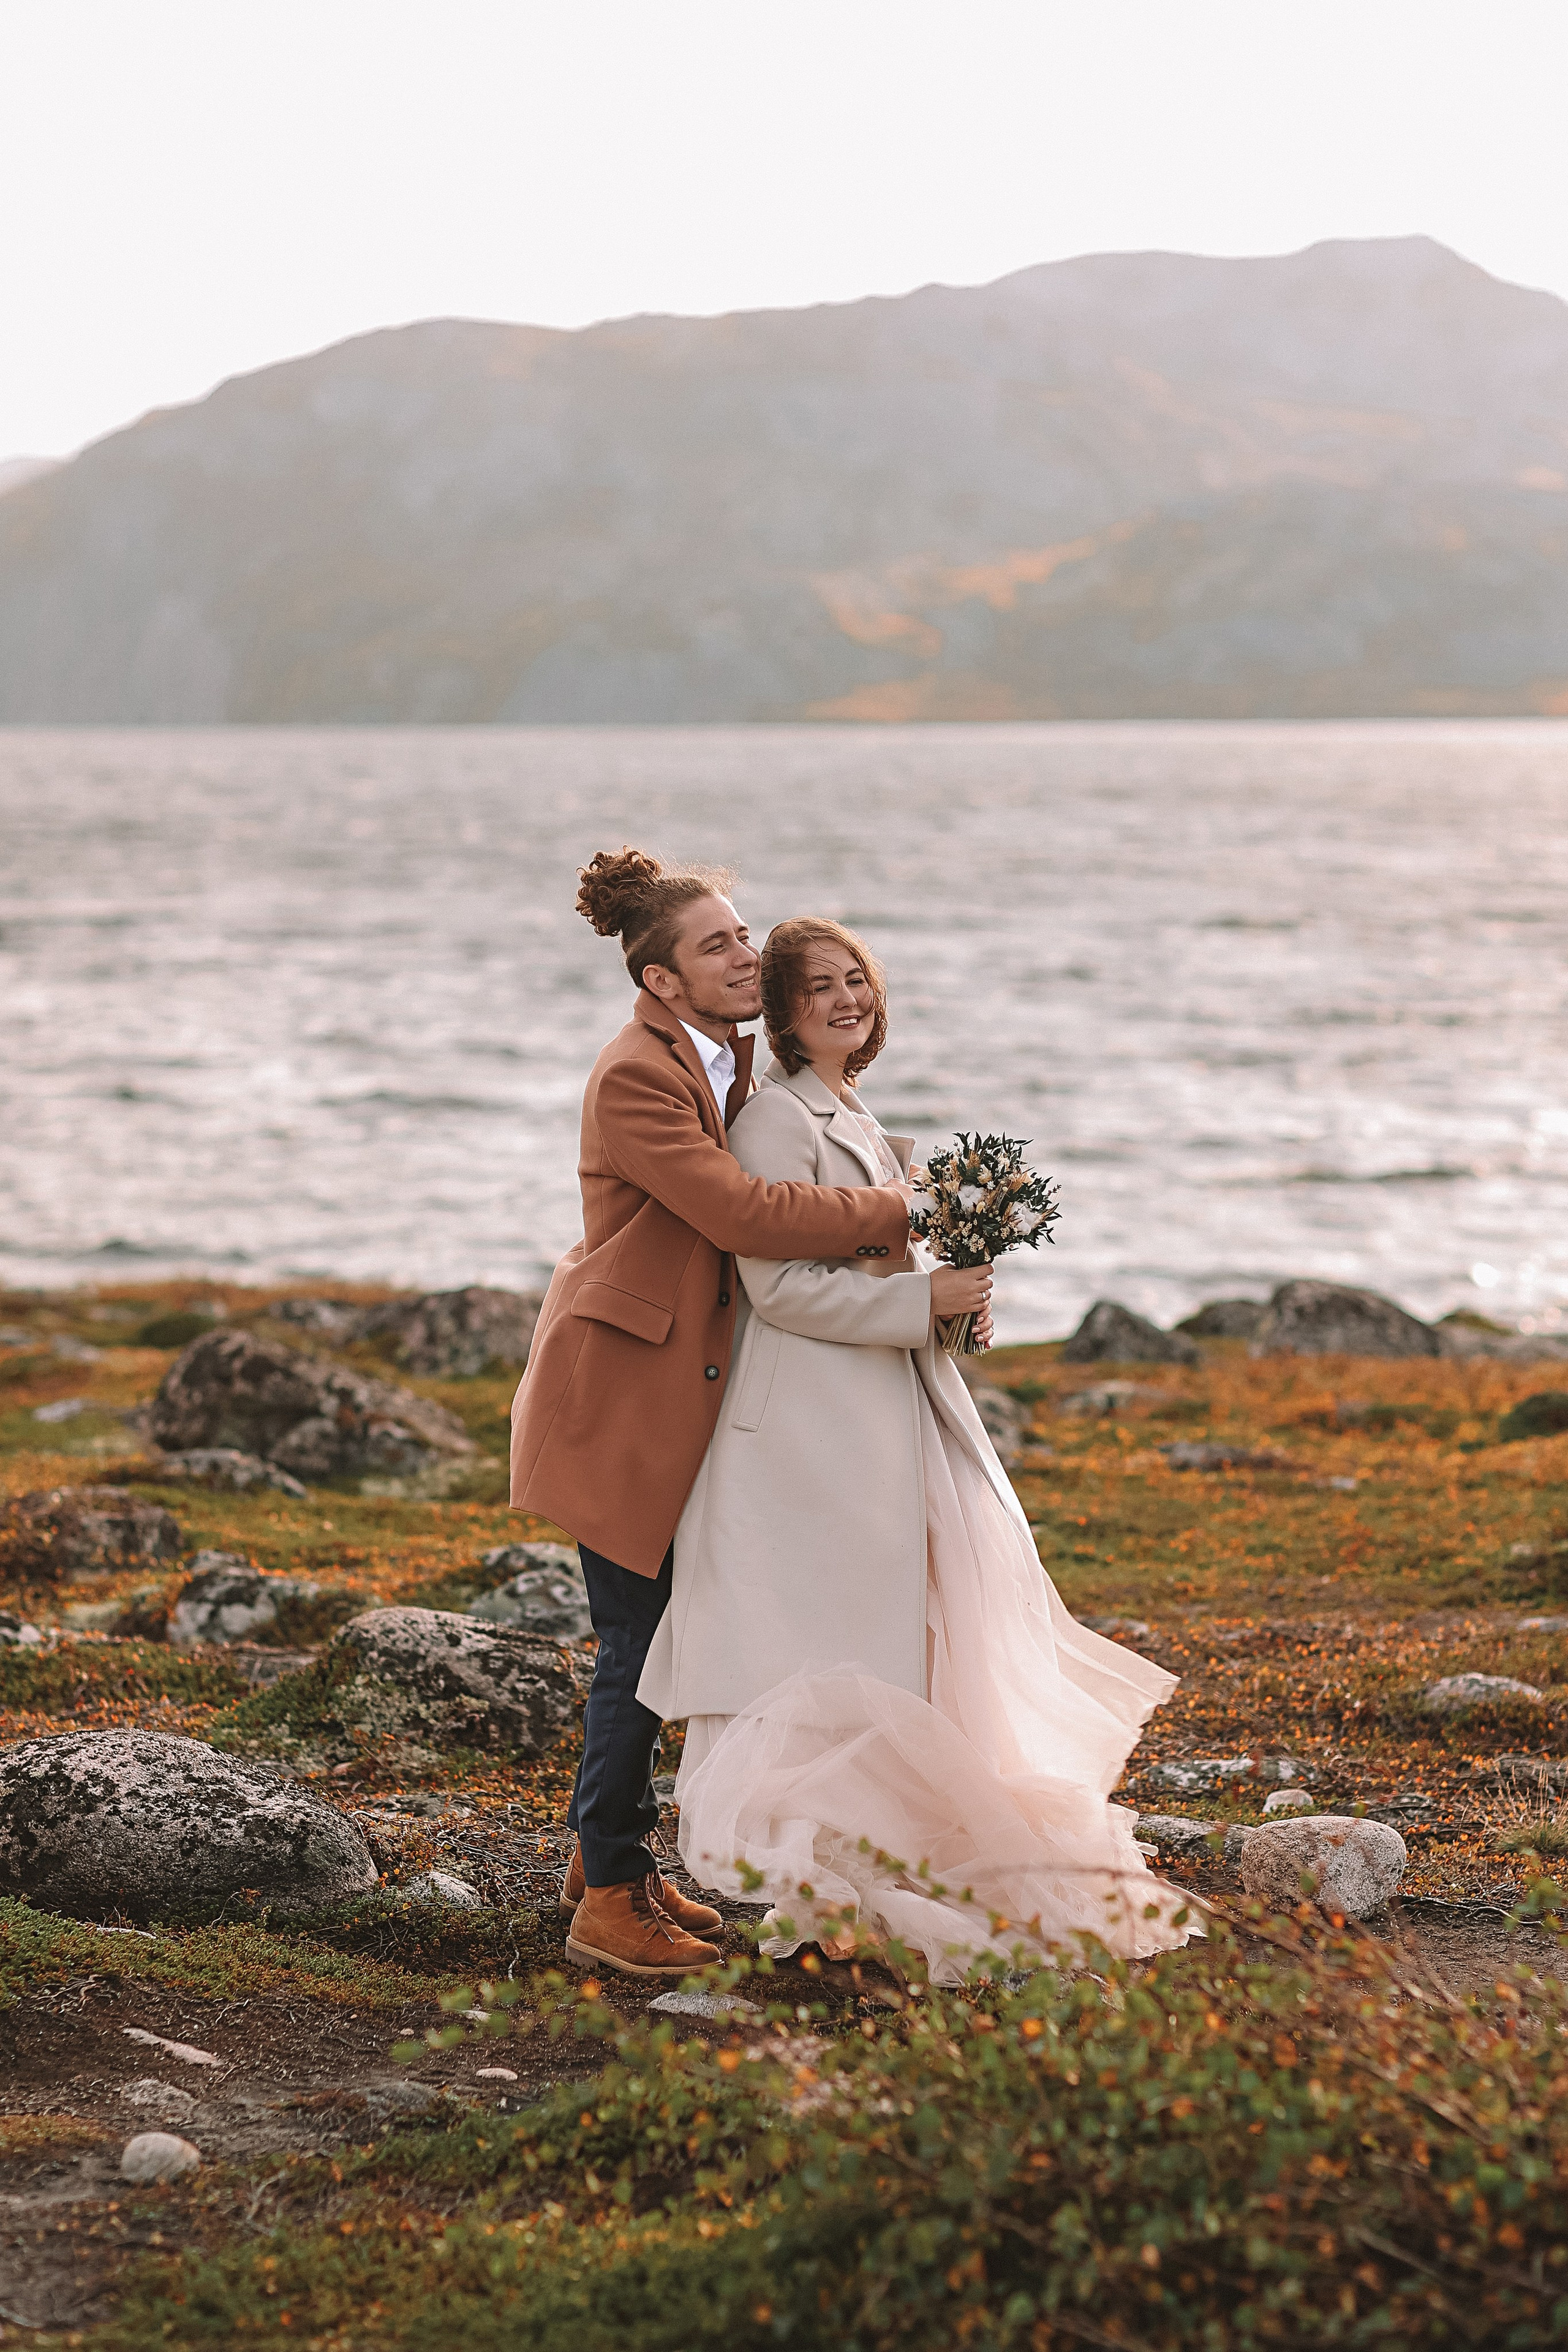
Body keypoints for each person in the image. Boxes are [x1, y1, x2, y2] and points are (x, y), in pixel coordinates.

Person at [637, 917, 1193, 1982]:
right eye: (821, 989)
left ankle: (860, 1865)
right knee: (806, 1654)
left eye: (860, 982)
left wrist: (949, 1310)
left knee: (886, 1643)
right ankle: (813, 1890)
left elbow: (874, 1265)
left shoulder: (854, 1110)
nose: (849, 1000)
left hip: (871, 1422)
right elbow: (776, 1287)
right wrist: (916, 1299)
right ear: (785, 1014)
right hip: (802, 1437)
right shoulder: (772, 1121)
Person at [510, 849, 915, 1980]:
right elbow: (736, 1208)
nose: (748, 955)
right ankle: (604, 1893)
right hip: (623, 1400)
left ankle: (615, 1868)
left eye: (743, 936)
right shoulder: (637, 1076)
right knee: (639, 1646)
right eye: (718, 946)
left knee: (670, 1635)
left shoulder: (728, 1062)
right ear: (662, 982)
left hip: (691, 1396)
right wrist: (905, 1207)